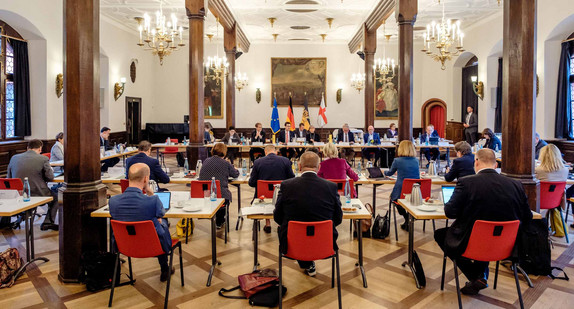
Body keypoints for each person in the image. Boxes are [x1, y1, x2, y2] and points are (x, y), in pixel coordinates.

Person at [434, 149, 532, 296]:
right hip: (507, 245)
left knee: (441, 234)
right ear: (495, 164)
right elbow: (527, 216)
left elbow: (450, 212)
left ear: (477, 161)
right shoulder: (515, 184)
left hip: (472, 242)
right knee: (486, 232)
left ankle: (476, 276)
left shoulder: (466, 182)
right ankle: (480, 275)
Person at [273, 151, 343, 276]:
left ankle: (307, 263)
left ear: (299, 166)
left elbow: (277, 217)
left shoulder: (287, 185)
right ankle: (308, 263)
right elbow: (338, 218)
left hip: (292, 244)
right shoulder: (331, 187)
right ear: (319, 167)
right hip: (325, 243)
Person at [109, 163, 174, 282]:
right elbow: (161, 213)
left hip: (124, 247)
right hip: (153, 246)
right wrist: (150, 193)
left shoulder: (113, 201)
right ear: (146, 179)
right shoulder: (153, 201)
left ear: (128, 178)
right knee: (161, 223)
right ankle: (164, 268)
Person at [7, 140, 58, 231]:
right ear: (40, 149)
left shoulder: (14, 158)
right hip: (38, 192)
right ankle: (47, 222)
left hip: (19, 193)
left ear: (27, 148)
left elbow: (9, 178)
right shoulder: (43, 159)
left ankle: (15, 220)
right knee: (56, 198)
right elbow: (50, 177)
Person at [249, 145, 295, 233]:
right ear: (276, 152)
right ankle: (280, 223)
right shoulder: (285, 161)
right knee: (281, 197)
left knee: (265, 197)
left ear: (265, 152)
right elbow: (291, 179)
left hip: (263, 196)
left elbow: (252, 183)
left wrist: (262, 184)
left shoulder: (257, 162)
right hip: (281, 194)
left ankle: (268, 223)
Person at [198, 143, 240, 228]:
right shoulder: (225, 163)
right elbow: (235, 174)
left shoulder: (206, 160)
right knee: (224, 194)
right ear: (224, 152)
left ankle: (216, 217)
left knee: (217, 192)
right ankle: (220, 220)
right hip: (220, 195)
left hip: (205, 194)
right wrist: (235, 169)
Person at [385, 140, 420, 231]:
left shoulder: (397, 160)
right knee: (406, 199)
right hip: (416, 191)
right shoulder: (416, 161)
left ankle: (406, 216)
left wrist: (383, 172)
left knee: (393, 199)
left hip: (401, 191)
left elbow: (389, 173)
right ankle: (409, 217)